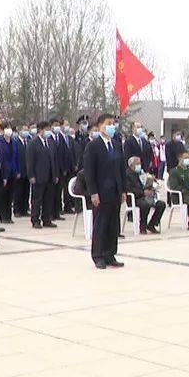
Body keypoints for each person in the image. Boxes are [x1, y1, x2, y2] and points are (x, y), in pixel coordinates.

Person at [83, 113, 126, 269]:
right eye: (109, 123)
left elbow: (122, 169)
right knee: (101, 224)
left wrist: (123, 190)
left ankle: (110, 254)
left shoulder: (116, 144)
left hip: (115, 191)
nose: (112, 126)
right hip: (101, 192)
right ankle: (98, 255)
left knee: (113, 224)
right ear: (100, 126)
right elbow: (89, 172)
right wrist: (93, 192)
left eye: (113, 123)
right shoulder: (93, 146)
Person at [26, 120, 58, 229]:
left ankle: (46, 219)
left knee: (48, 199)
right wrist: (31, 175)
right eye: (47, 129)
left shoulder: (51, 142)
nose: (49, 132)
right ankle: (35, 220)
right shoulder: (33, 143)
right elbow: (30, 161)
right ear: (40, 130)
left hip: (50, 176)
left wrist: (55, 175)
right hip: (38, 176)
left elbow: (54, 159)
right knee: (37, 200)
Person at [124, 156, 164, 234]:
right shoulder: (127, 175)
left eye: (140, 163)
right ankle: (143, 226)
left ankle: (152, 224)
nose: (140, 165)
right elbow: (129, 190)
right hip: (136, 198)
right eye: (137, 164)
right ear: (132, 165)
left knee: (161, 204)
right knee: (145, 204)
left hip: (146, 196)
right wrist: (143, 192)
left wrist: (152, 186)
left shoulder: (141, 173)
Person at [168, 153, 189, 231]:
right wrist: (187, 191)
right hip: (179, 196)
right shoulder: (174, 171)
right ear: (180, 159)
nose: (187, 160)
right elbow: (174, 187)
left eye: (188, 158)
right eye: (185, 158)